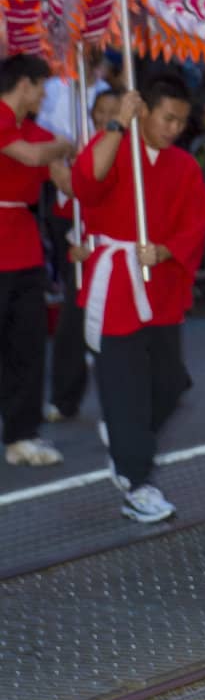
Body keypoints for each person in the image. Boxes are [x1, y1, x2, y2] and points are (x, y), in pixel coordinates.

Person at [71, 75, 205, 522]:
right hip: (115, 288)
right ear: (144, 110)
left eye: (181, 121)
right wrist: (116, 125)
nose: (174, 128)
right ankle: (137, 482)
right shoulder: (114, 147)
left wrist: (167, 249)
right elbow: (85, 183)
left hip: (161, 289)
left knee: (171, 382)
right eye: (167, 117)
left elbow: (197, 220)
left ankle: (126, 437)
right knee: (125, 387)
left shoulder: (184, 166)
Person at [0, 55, 75, 467]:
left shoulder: (38, 132)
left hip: (25, 250)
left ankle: (22, 436)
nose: (45, 93)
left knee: (26, 347)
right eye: (41, 85)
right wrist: (66, 145)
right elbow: (29, 157)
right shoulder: (12, 126)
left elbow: (67, 180)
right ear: (24, 85)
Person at [44, 88, 123, 422]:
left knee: (124, 327)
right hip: (83, 245)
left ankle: (158, 383)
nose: (104, 119)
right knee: (73, 321)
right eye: (99, 112)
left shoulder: (128, 150)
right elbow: (70, 194)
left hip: (117, 248)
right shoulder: (83, 147)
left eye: (112, 111)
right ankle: (65, 398)